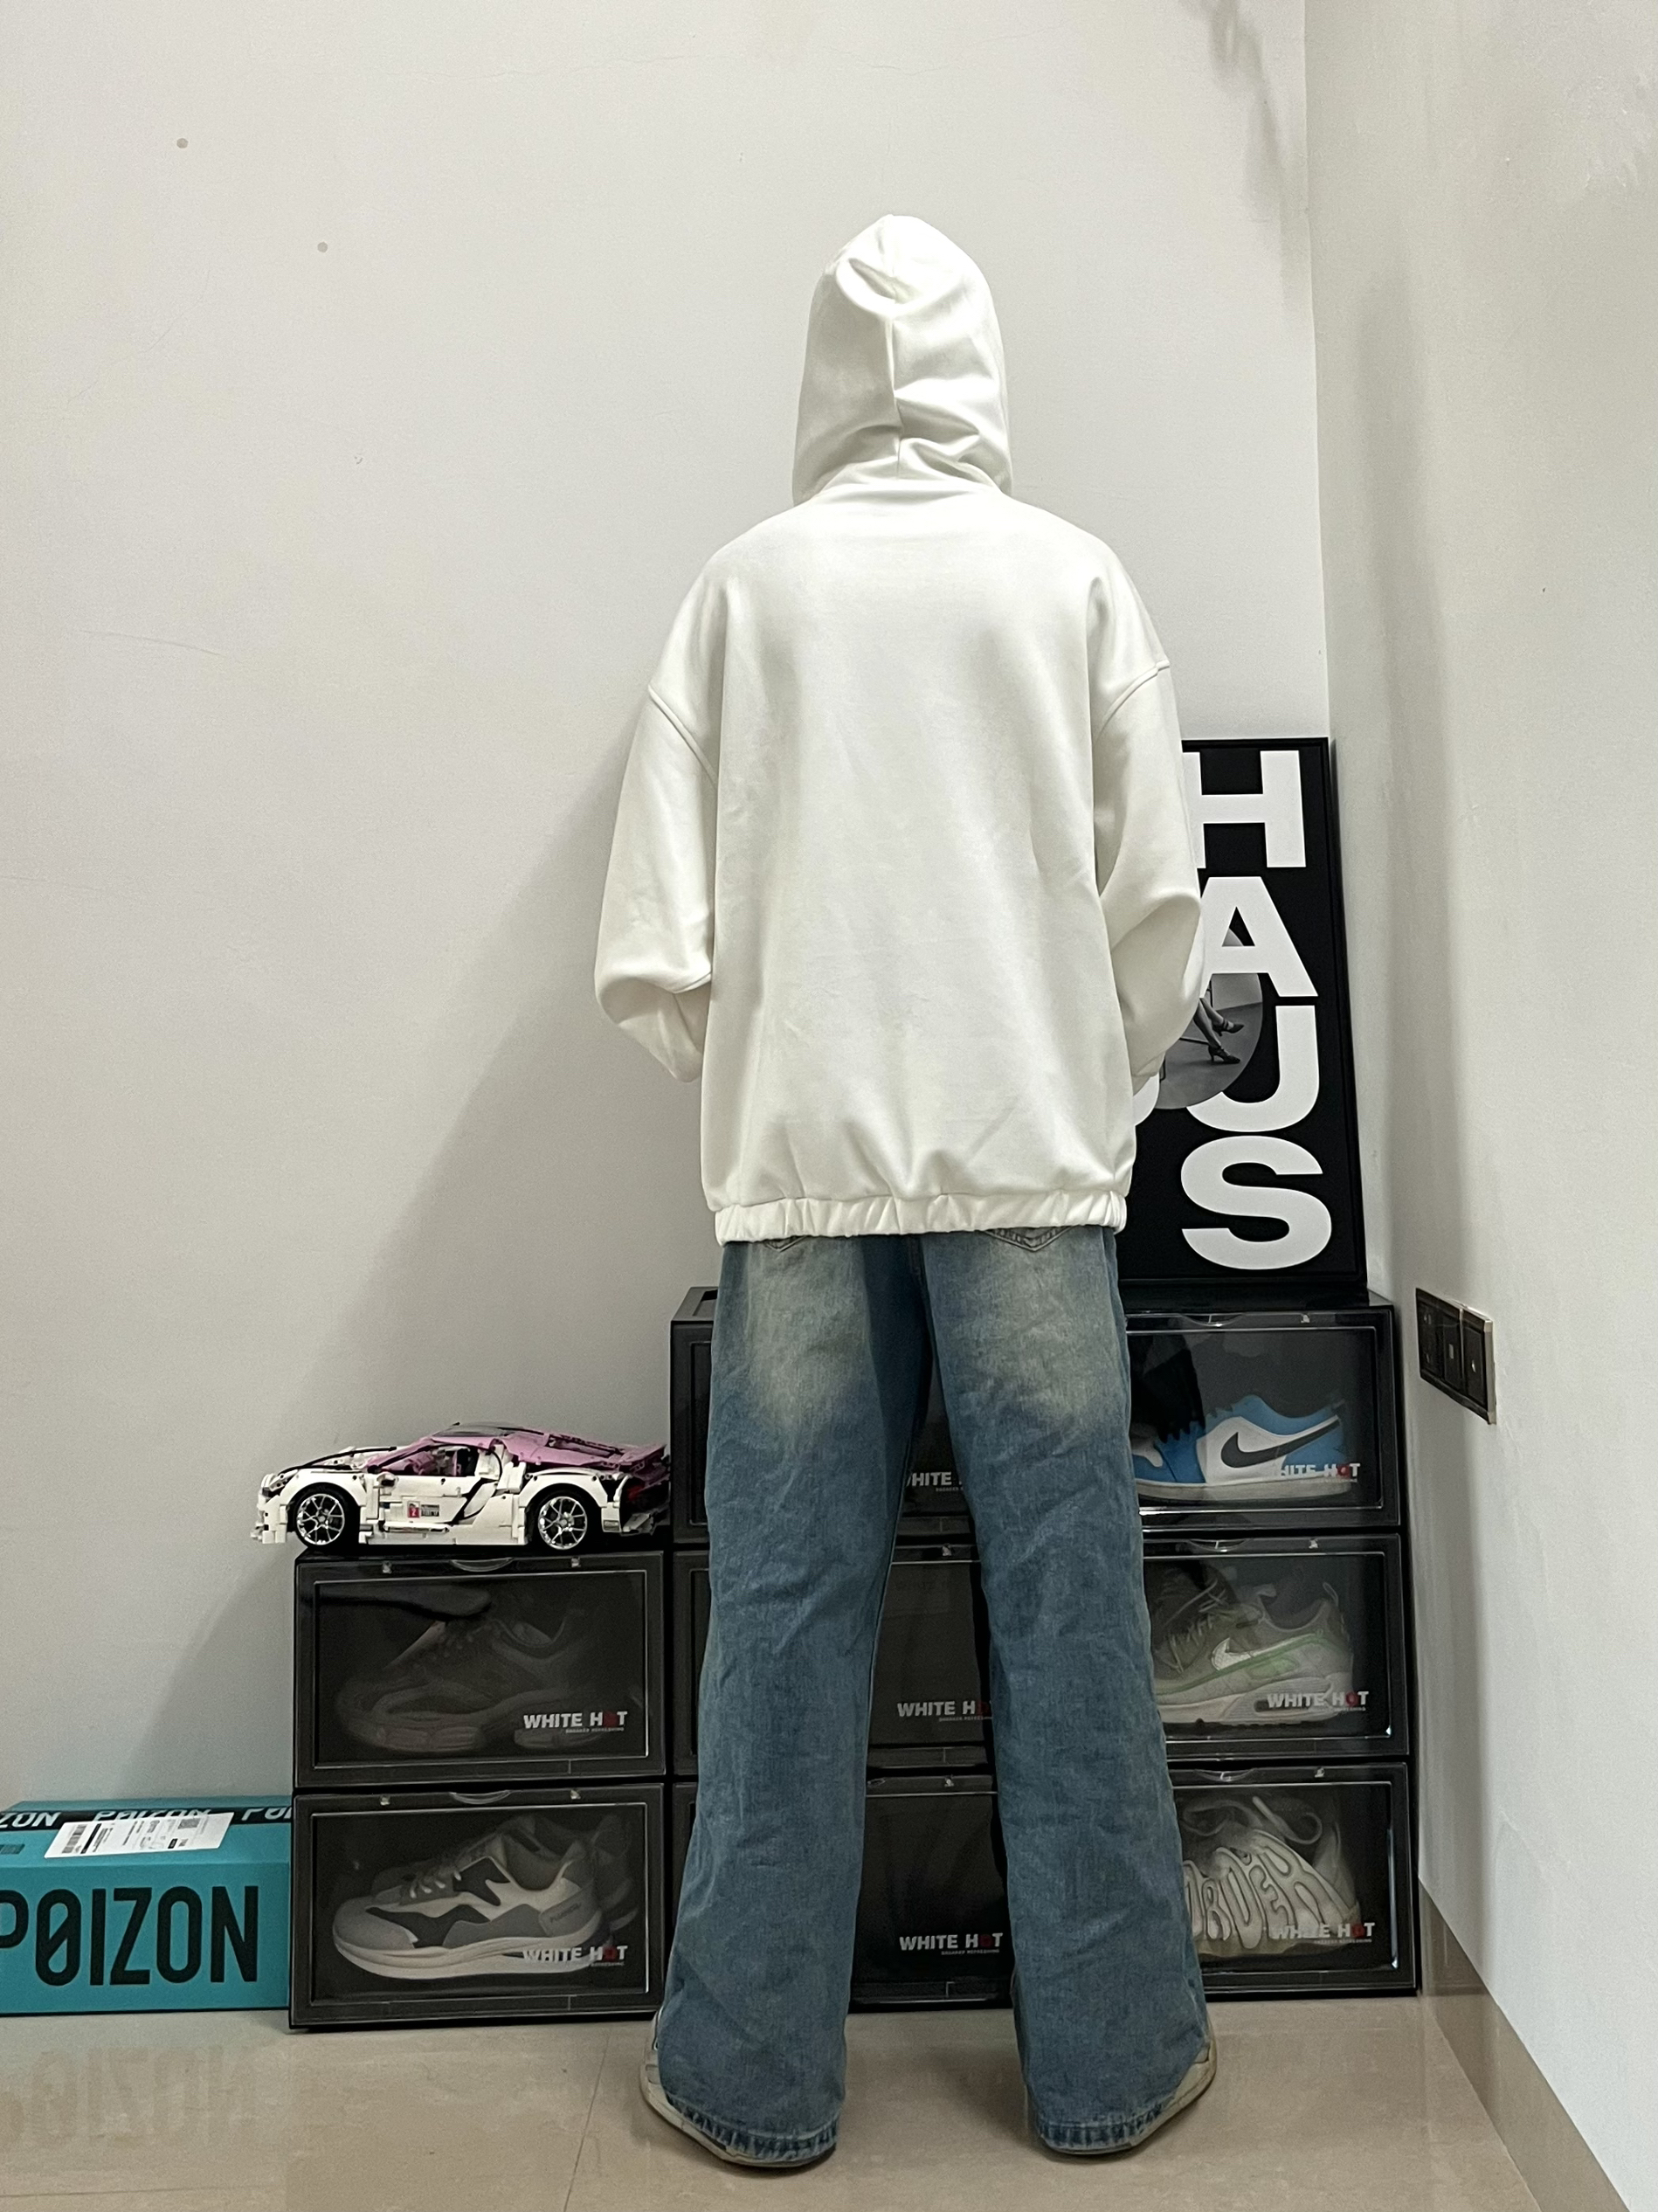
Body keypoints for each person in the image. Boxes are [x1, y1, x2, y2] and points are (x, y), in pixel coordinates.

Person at [595, 215, 1213, 2167]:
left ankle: (746, 2077)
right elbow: (1159, 911)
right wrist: (1086, 1086)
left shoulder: (743, 591)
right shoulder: (1070, 578)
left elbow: (651, 952)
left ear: (820, 375)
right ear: (979, 365)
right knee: (1069, 1611)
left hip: (797, 1184)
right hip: (1027, 1164)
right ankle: (1113, 2068)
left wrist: (764, 1076)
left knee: (784, 1620)